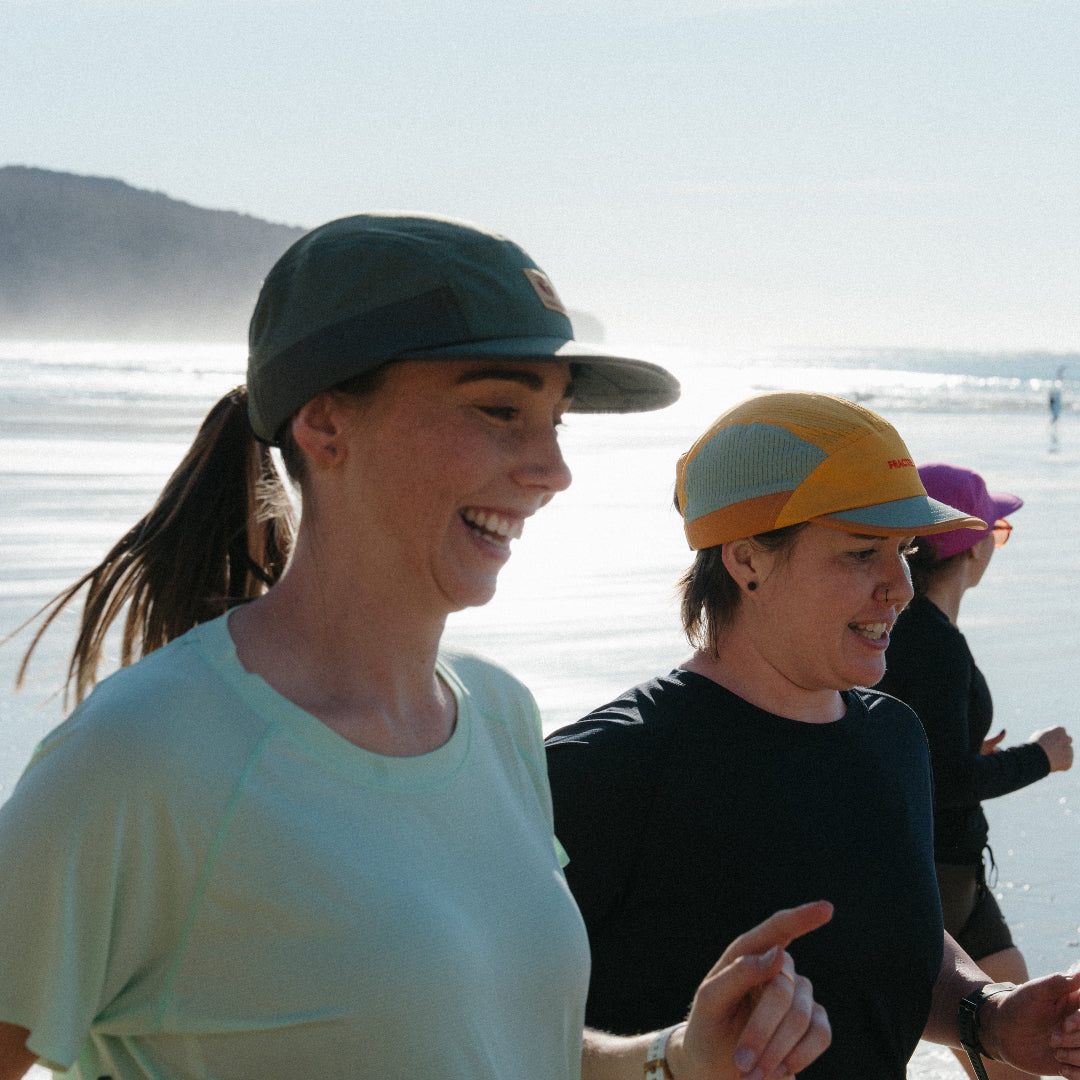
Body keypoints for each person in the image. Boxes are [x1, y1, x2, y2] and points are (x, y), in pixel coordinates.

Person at [0, 214, 833, 1080]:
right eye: (500, 410)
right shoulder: (149, 752)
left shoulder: (499, 717)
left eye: (556, 421)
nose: (552, 470)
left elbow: (500, 1045)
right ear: (325, 425)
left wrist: (673, 1060)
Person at [545, 391, 1080, 1080]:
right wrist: (668, 1063)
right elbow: (486, 1030)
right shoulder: (602, 767)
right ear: (747, 561)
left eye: (904, 550)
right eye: (861, 553)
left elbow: (894, 939)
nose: (901, 586)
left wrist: (989, 1014)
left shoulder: (892, 736)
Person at [875, 462, 1074, 1080]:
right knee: (1012, 1036)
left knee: (1029, 1029)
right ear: (973, 545)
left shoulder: (903, 631)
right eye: (996, 531)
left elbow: (914, 753)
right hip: (933, 874)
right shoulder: (933, 642)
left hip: (952, 869)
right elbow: (947, 782)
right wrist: (1041, 757)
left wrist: (965, 750)